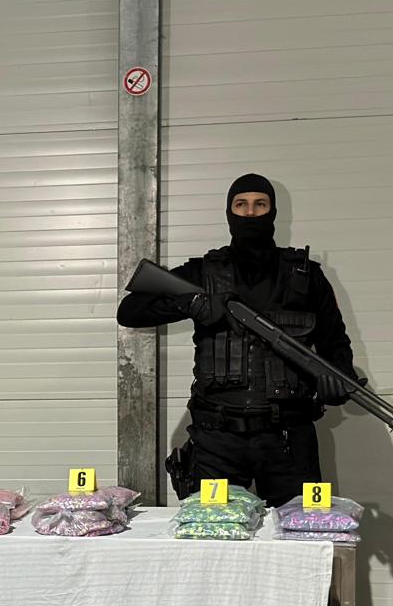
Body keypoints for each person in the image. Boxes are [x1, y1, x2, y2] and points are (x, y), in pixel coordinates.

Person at [117, 173, 360, 507]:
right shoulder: (203, 272)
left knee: (299, 532)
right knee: (211, 532)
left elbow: (335, 343)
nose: (250, 213)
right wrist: (191, 304)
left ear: (274, 211)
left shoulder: (306, 276)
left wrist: (338, 381)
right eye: (241, 205)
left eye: (260, 204)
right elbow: (129, 311)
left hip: (288, 440)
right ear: (229, 212)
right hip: (216, 440)